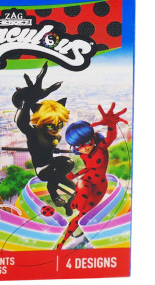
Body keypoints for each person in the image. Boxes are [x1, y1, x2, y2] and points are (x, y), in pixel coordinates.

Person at [56, 102, 127, 249]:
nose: (84, 148)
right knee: (81, 199)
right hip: (87, 181)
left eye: (87, 142)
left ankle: (67, 237)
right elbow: (89, 168)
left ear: (93, 137)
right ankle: (63, 241)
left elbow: (111, 137)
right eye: (78, 146)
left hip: (98, 184)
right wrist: (76, 174)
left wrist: (111, 124)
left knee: (82, 212)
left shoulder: (100, 148)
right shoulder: (83, 155)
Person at [13, 62, 76, 209]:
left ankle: (69, 203)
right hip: (42, 170)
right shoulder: (34, 133)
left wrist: (54, 148)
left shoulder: (51, 135)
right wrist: (27, 103)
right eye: (50, 125)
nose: (56, 129)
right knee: (67, 166)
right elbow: (21, 123)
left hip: (52, 164)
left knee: (69, 172)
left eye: (59, 125)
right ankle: (53, 192)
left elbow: (48, 147)